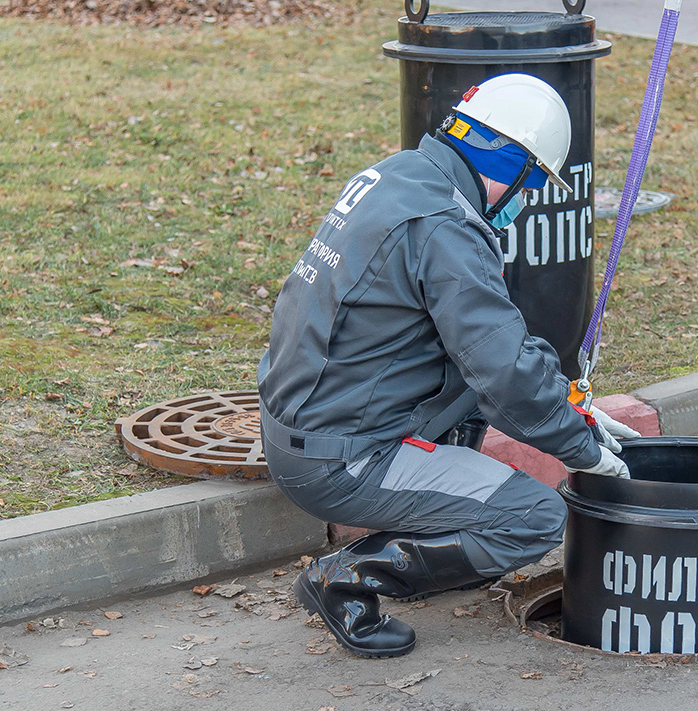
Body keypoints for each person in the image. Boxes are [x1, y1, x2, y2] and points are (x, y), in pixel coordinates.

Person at [257, 73, 639, 659]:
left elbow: (494, 354)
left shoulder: (402, 176)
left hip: (310, 422)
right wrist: (582, 450)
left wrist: (571, 408)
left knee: (478, 381)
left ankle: (441, 538)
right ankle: (348, 579)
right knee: (534, 517)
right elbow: (505, 373)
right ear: (515, 167)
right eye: (533, 182)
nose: (527, 196)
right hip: (345, 459)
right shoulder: (447, 228)